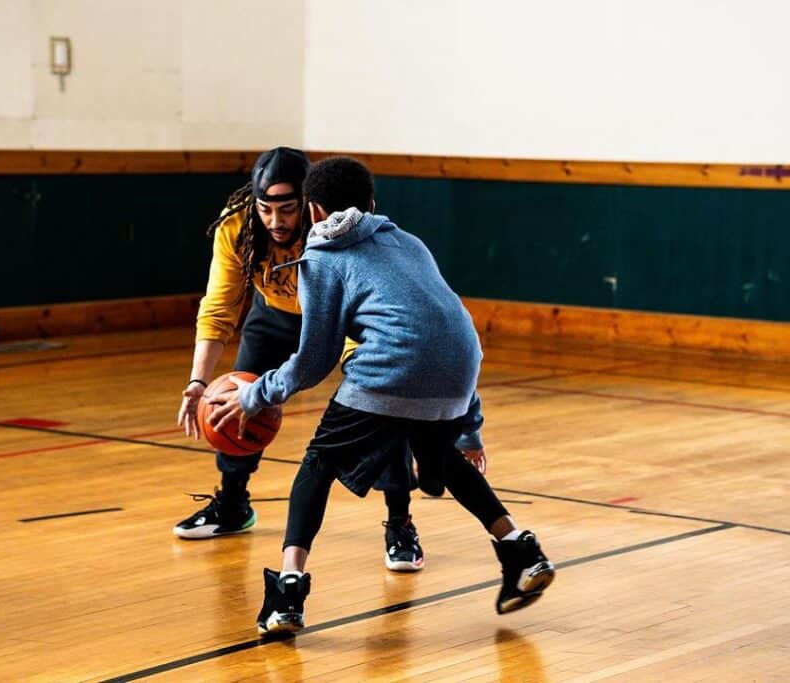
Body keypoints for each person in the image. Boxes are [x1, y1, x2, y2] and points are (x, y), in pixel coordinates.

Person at [206, 156, 555, 637]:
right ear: (371, 205)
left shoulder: (322, 257)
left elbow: (314, 360)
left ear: (312, 212)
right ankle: (520, 549)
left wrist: (255, 396)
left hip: (393, 368)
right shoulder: (408, 243)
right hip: (461, 366)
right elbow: (447, 328)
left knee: (317, 467)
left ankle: (288, 593)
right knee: (443, 457)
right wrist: (469, 426)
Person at [173, 147, 435, 573]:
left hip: (346, 314)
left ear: (309, 203)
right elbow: (219, 306)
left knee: (381, 403)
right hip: (275, 313)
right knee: (236, 398)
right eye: (266, 209)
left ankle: (400, 521)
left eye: (287, 209)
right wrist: (198, 383)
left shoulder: (334, 222)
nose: (275, 222)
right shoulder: (237, 225)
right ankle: (233, 503)